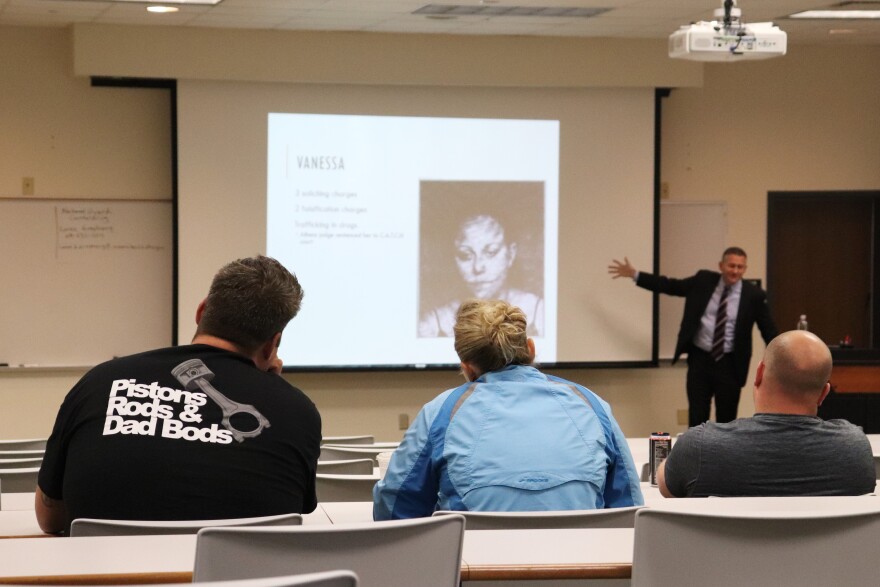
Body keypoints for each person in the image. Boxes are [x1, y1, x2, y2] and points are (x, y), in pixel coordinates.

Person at [36, 255, 321, 535]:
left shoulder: (99, 382)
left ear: (201, 312)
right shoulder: (298, 411)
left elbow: (50, 518)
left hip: (107, 580)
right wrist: (276, 396)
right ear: (273, 344)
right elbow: (288, 519)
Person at [375, 299, 643, 520]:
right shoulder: (593, 407)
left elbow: (393, 512)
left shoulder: (441, 413)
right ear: (530, 349)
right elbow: (628, 510)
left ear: (466, 367)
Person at [658, 330, 875, 497]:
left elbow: (666, 488)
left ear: (759, 373)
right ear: (824, 393)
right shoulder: (855, 450)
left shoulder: (699, 447)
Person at [608, 247, 777, 427]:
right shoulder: (703, 281)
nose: (735, 271)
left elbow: (768, 330)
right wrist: (635, 274)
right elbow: (671, 286)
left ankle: (724, 454)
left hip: (731, 364)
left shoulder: (754, 295)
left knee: (727, 420)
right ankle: (696, 453)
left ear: (745, 269)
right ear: (721, 266)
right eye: (731, 266)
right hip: (700, 359)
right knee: (697, 416)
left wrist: (781, 360)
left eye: (740, 267)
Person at [418, 214, 544, 337]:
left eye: (491, 252)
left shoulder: (538, 312)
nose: (477, 267)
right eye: (465, 255)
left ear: (511, 254)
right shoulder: (434, 324)